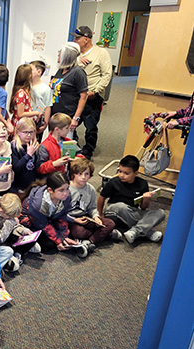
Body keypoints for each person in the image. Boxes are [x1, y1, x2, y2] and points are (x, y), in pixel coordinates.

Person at [97, 155, 166, 244]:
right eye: (120, 171)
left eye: (126, 173)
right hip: (114, 210)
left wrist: (146, 199)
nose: (121, 175)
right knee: (121, 206)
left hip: (132, 211)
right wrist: (100, 215)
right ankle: (147, 231)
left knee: (160, 213)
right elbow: (101, 198)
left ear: (136, 173)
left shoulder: (143, 184)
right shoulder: (114, 182)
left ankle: (136, 231)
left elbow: (143, 208)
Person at [20, 172, 84, 256]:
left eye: (67, 188)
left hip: (49, 219)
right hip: (31, 222)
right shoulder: (38, 205)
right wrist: (58, 240)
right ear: (50, 190)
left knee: (69, 236)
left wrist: (64, 236)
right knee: (49, 245)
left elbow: (62, 217)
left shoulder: (66, 197)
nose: (65, 193)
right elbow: (43, 225)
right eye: (61, 190)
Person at [72, 26, 113, 159]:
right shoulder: (74, 53)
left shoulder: (101, 53)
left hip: (92, 96)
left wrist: (95, 91)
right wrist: (77, 60)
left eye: (77, 38)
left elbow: (106, 75)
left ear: (86, 39)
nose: (75, 40)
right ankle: (74, 148)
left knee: (90, 126)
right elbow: (63, 63)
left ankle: (88, 151)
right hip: (76, 96)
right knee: (71, 124)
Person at [67, 158, 118, 254]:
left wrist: (96, 217)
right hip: (71, 219)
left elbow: (92, 208)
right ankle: (104, 235)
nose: (83, 177)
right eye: (79, 174)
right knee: (79, 232)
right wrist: (74, 220)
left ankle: (89, 241)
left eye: (86, 174)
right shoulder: (67, 189)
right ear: (73, 174)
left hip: (86, 217)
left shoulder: (90, 189)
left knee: (110, 223)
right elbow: (61, 212)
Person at [49, 42, 88, 140]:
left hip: (67, 117)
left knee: (65, 148)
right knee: (54, 145)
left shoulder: (78, 72)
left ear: (66, 55)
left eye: (60, 52)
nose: (58, 55)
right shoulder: (61, 70)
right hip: (55, 116)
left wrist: (75, 118)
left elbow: (84, 97)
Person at [10, 117, 39, 194]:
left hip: (32, 184)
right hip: (19, 185)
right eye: (25, 132)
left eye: (31, 132)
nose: (29, 135)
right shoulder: (14, 146)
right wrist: (28, 155)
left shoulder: (34, 145)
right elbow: (16, 167)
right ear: (18, 132)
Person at [9, 64, 41, 129]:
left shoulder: (25, 91)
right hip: (20, 126)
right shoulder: (21, 93)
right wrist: (36, 113)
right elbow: (20, 114)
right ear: (28, 76)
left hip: (24, 124)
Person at [29, 60, 52, 138]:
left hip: (37, 121)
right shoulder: (26, 86)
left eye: (30, 70)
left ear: (39, 72)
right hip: (25, 119)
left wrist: (45, 124)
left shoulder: (46, 89)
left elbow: (48, 107)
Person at [0, 63, 13, 132]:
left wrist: (8, 118)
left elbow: (2, 107)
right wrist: (7, 125)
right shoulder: (3, 93)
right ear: (7, 79)